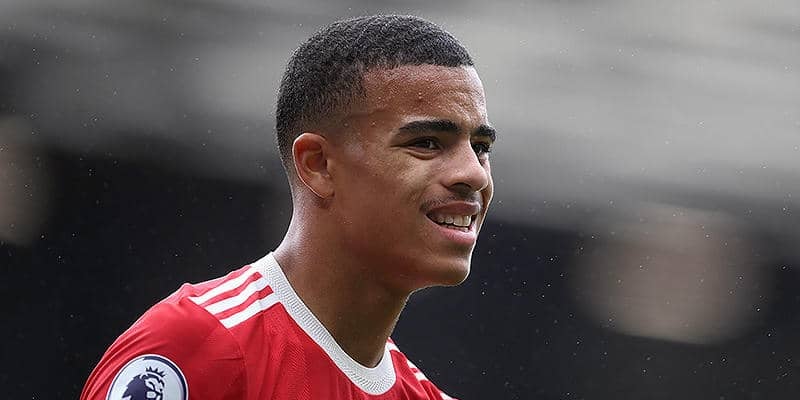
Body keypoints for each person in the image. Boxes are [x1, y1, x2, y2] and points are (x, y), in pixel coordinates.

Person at [81, 14, 495, 400]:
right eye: (427, 143)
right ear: (318, 165)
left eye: (480, 147)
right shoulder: (199, 349)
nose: (474, 174)